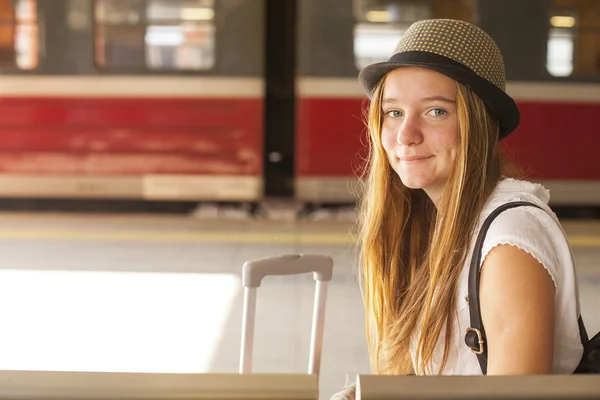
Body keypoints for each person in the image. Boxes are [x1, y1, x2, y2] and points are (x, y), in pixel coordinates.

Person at [331, 18, 585, 398]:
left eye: (436, 111)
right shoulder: (435, 223)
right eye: (394, 112)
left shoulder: (509, 241)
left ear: (478, 123)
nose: (406, 135)